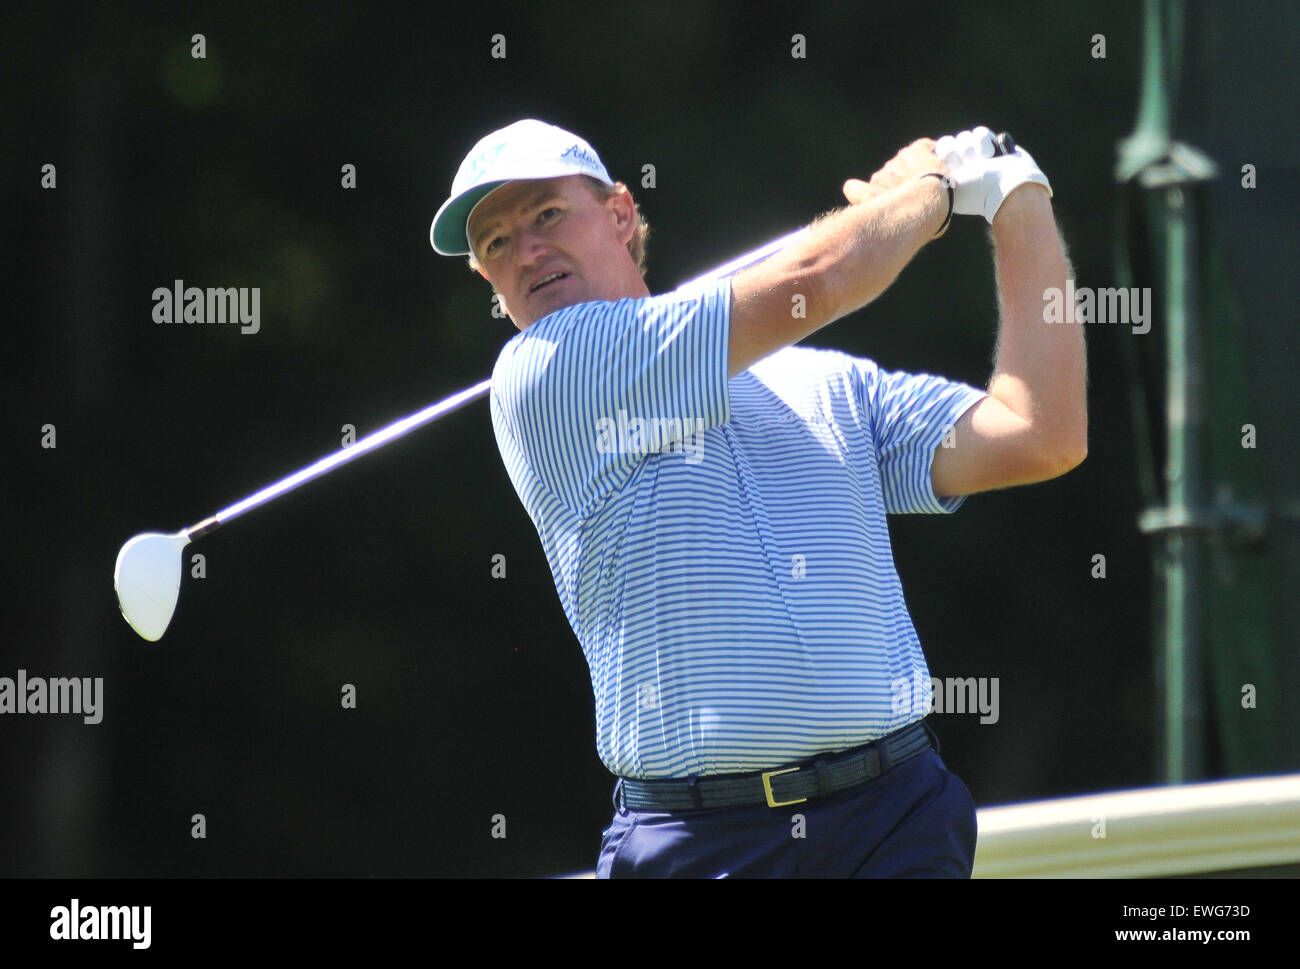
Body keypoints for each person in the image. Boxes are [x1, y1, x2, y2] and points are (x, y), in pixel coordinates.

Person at [429, 118, 1085, 877]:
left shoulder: (826, 382)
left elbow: (1040, 432)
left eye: (545, 214)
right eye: (496, 243)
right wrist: (930, 193)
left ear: (617, 214)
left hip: (895, 818)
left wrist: (1017, 197)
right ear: (485, 278)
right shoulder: (545, 373)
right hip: (706, 842)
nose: (526, 250)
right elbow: (819, 280)